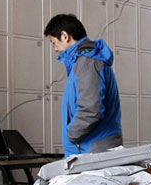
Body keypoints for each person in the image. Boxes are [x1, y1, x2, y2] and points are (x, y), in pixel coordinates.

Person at [44, 14, 123, 155]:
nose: (55, 49)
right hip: (90, 147)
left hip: (95, 149)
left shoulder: (88, 62)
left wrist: (71, 136)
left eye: (53, 42)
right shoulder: (81, 62)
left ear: (64, 36)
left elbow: (90, 109)